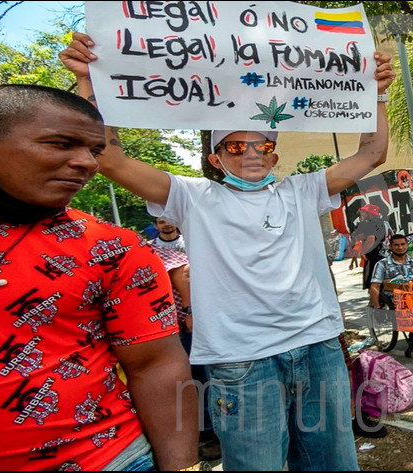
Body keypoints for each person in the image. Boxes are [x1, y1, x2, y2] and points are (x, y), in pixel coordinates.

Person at [60, 31, 396, 470]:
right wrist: (91, 82)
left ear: (274, 157)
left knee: (334, 464)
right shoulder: (192, 197)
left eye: (263, 146)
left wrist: (377, 92)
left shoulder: (303, 191)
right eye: (236, 147)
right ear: (216, 159)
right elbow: (110, 160)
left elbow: (372, 153)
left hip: (318, 349)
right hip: (242, 361)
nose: (251, 154)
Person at [0, 84, 199, 470]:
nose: (88, 163)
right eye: (61, 144)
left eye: (94, 150)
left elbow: (157, 367)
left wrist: (183, 467)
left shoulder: (114, 248)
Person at [148, 243, 221, 461]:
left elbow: (182, 271)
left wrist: (189, 311)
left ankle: (209, 434)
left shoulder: (141, 250)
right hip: (155, 332)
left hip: (181, 326)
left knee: (195, 378)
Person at [352, 203, 393, 290]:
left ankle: (375, 297)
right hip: (384, 254)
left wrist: (363, 252)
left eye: (363, 212)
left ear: (370, 213)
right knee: (383, 279)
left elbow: (371, 239)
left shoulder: (371, 223)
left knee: (373, 281)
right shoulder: (383, 222)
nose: (362, 214)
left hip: (374, 255)